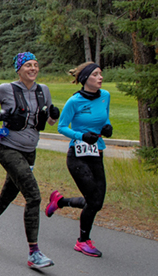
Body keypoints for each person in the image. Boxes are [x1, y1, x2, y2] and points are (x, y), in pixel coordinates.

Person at [0, 52, 60, 269]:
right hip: (8, 149)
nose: (33, 69)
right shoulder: (6, 89)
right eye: (28, 65)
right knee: (34, 196)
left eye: (36, 65)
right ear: (19, 69)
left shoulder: (44, 91)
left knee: (8, 194)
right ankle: (34, 253)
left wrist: (54, 116)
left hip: (30, 151)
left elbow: (48, 122)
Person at [47, 62, 112, 258]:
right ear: (85, 79)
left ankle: (60, 201)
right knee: (93, 201)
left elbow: (104, 119)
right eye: (95, 74)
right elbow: (62, 127)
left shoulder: (105, 96)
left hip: (97, 153)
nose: (100, 77)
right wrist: (81, 136)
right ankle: (82, 241)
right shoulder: (74, 102)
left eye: (101, 74)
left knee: (97, 202)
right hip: (78, 156)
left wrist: (108, 127)